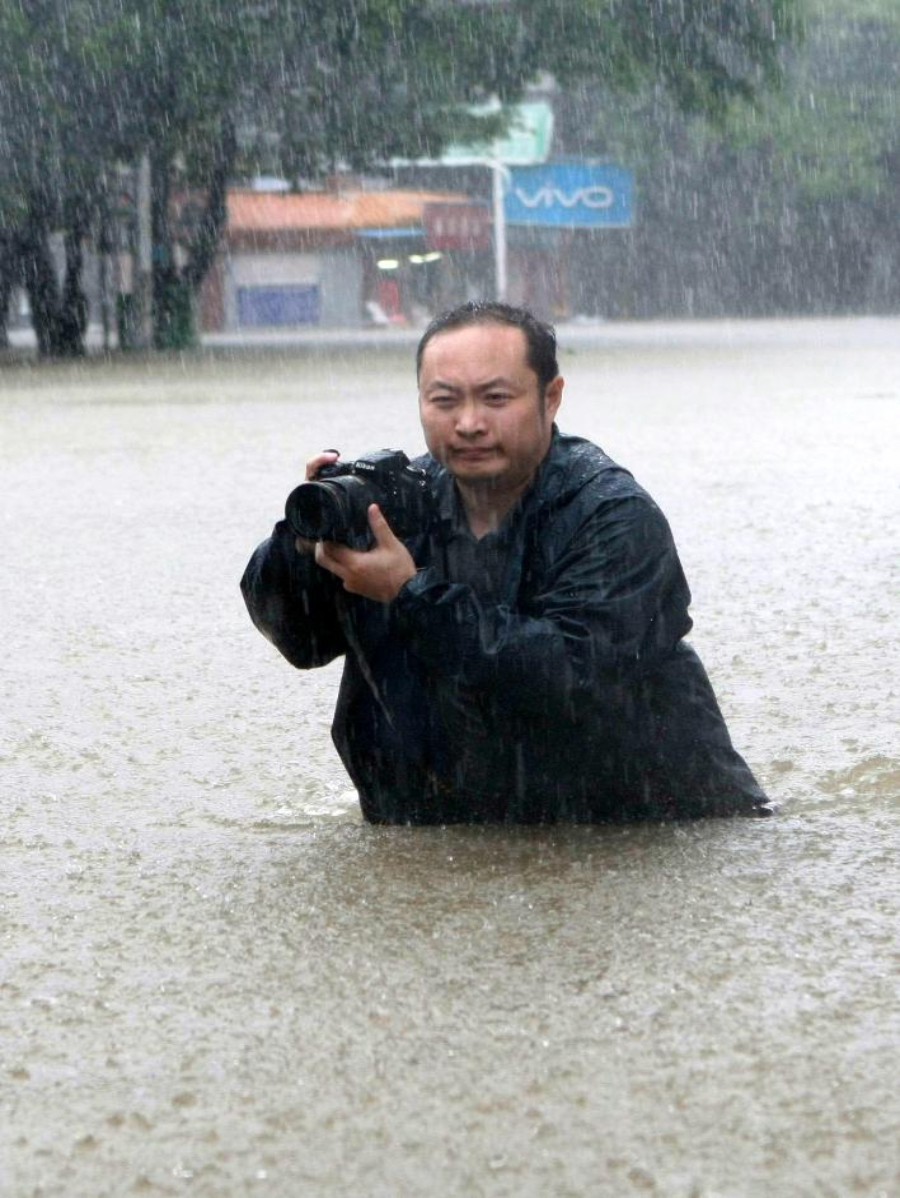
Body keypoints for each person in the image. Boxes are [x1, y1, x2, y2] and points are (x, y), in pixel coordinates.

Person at [241, 301, 771, 824]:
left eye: (495, 398)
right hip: (441, 835)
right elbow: (300, 640)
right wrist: (303, 542)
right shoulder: (392, 507)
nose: (469, 423)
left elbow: (572, 678)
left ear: (550, 397)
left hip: (637, 831)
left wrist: (409, 596)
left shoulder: (612, 516)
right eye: (444, 400)